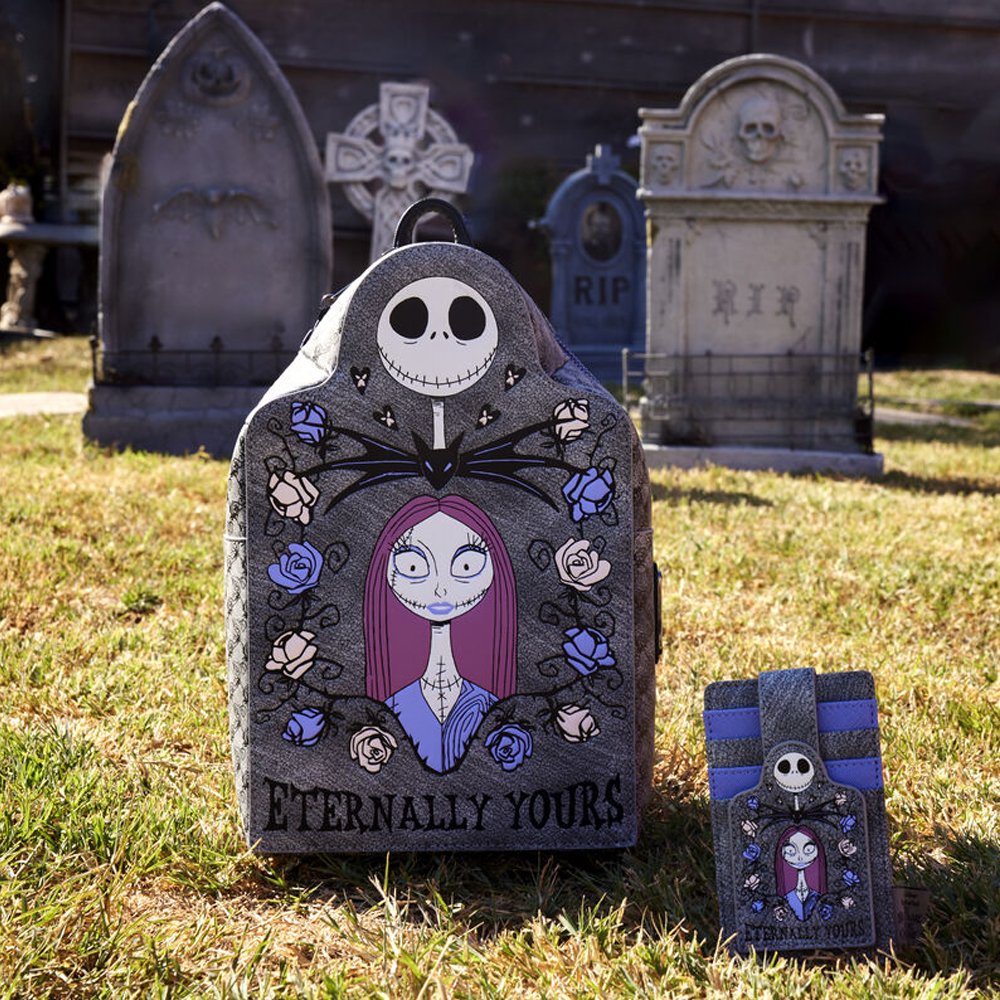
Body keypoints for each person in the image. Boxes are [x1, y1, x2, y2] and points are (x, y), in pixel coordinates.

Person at [364, 495, 516, 772]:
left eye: (466, 567)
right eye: (413, 568)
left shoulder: (488, 704)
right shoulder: (394, 705)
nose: (440, 589)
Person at [774, 825, 827, 920]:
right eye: (790, 851)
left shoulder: (817, 895)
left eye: (808, 850)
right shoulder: (787, 896)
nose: (800, 857)